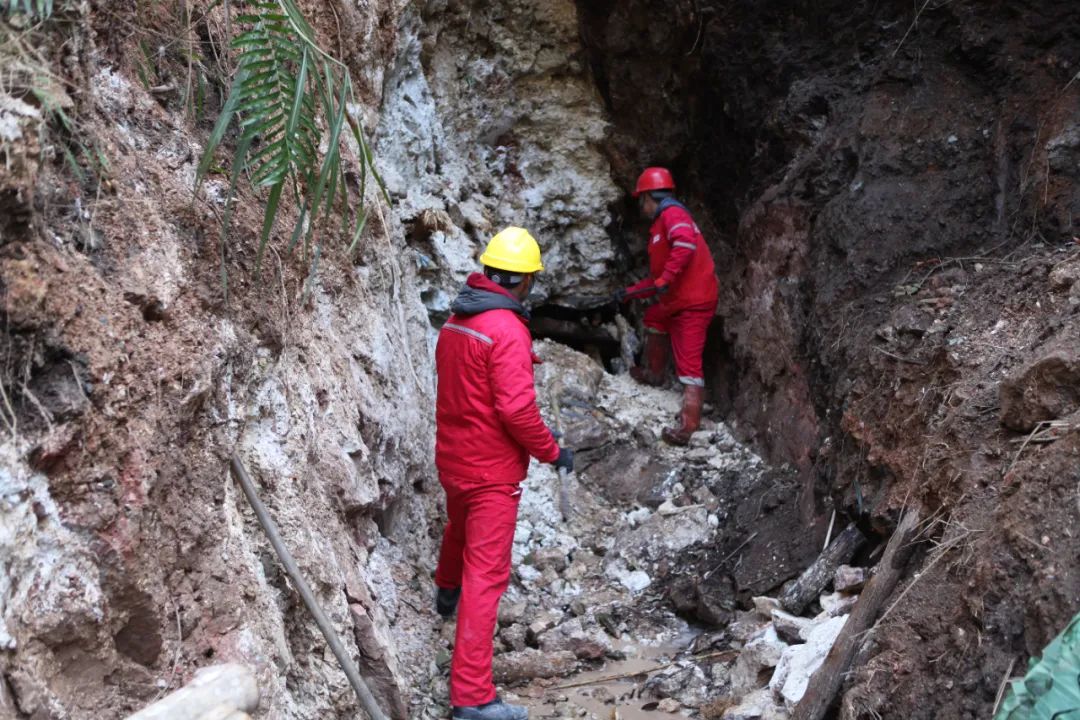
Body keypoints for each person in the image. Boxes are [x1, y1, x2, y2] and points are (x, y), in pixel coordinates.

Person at [433, 226, 574, 720]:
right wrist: (553, 452)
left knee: (458, 526)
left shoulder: (457, 320)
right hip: (490, 470)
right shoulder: (507, 330)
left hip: (453, 457)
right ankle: (472, 698)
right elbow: (516, 410)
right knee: (486, 577)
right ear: (525, 280)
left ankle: (444, 591)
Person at [613, 167, 719, 446]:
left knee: (689, 361)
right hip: (677, 301)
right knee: (654, 317)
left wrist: (666, 278)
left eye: (642, 200)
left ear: (649, 196)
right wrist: (629, 293)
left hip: (694, 302)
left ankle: (688, 425)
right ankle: (655, 374)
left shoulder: (673, 214)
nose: (641, 207)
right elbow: (658, 278)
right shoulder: (662, 224)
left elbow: (684, 245)